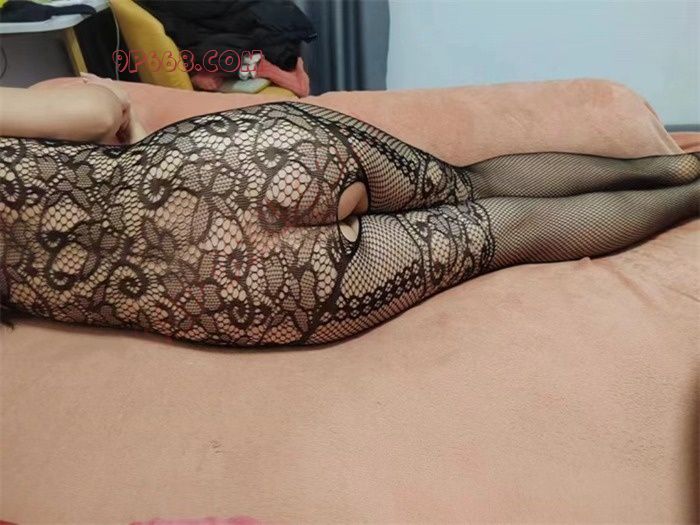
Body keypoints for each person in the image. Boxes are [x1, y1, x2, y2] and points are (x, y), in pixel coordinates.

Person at [0, 82, 697, 346]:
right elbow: (95, 112)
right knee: (470, 183)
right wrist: (108, 107)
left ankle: (693, 192)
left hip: (225, 289)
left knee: (505, 232)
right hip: (233, 165)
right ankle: (680, 168)